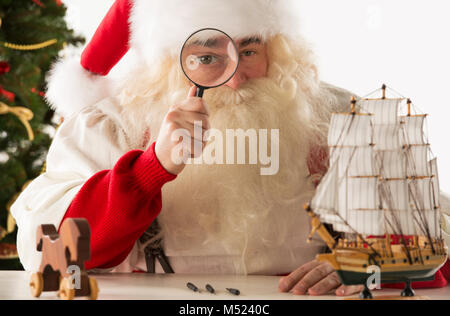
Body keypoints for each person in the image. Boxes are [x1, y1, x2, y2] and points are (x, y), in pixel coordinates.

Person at [11, 0, 450, 297]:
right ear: (167, 64)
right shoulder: (112, 124)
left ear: (276, 48)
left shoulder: (343, 118)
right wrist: (150, 170)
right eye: (207, 57)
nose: (235, 78)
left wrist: (366, 265)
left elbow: (435, 241)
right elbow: (49, 255)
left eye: (249, 50)